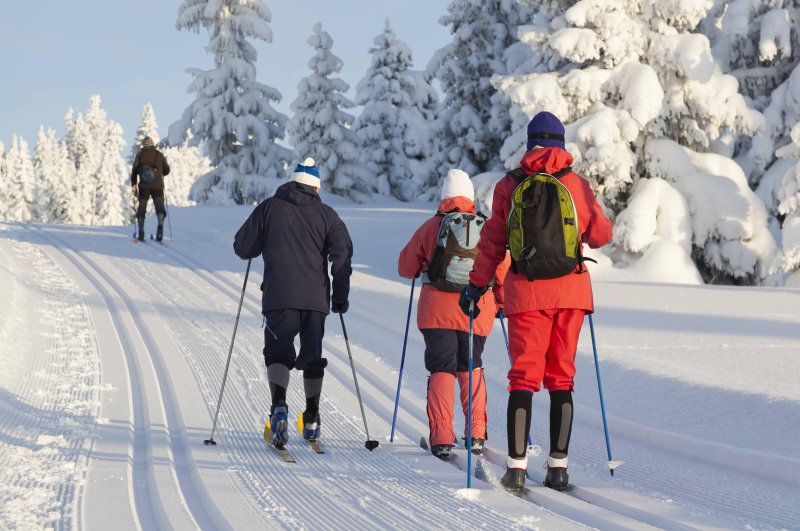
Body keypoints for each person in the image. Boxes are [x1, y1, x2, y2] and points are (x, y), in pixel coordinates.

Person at [460, 112, 613, 491]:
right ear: (561, 143)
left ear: (529, 143)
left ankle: (516, 467)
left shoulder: (509, 185)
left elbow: (493, 242)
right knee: (562, 378)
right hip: (571, 294)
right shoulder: (576, 184)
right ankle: (558, 468)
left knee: (522, 380)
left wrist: (477, 285)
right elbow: (602, 235)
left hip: (525, 293)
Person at [233, 158, 353, 449]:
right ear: (315, 186)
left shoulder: (270, 207)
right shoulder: (328, 214)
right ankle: (311, 418)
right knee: (312, 356)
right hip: (315, 299)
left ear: (293, 181)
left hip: (279, 296)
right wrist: (340, 295)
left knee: (278, 352)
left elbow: (242, 247)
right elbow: (343, 255)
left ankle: (279, 406)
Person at [399, 169, 510, 459]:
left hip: (436, 312)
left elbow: (405, 268)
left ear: (444, 198)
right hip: (476, 310)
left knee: (442, 370)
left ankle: (441, 438)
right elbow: (503, 273)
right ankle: (475, 434)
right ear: (471, 198)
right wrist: (500, 302)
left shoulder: (429, 227)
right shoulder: (486, 228)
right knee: (471, 367)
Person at [130, 136, 171, 242]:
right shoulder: (159, 155)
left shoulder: (140, 155)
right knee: (159, 208)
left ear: (144, 145)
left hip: (144, 186)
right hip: (158, 186)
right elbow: (166, 170)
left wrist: (133, 183)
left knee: (142, 208)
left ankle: (141, 231)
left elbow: (134, 170)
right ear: (152, 144)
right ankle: (160, 227)